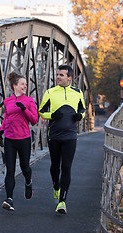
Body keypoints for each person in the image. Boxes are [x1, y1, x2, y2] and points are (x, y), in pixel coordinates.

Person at [38, 65, 86, 214]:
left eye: (61, 75)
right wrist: (52, 115)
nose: (58, 77)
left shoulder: (78, 93)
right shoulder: (50, 92)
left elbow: (82, 109)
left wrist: (80, 116)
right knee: (55, 166)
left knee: (66, 167)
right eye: (57, 74)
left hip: (70, 136)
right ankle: (56, 187)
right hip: (54, 135)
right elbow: (41, 111)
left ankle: (62, 202)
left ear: (69, 78)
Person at [0, 72, 39, 211]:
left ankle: (28, 182)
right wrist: (2, 128)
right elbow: (7, 116)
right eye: (22, 84)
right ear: (14, 86)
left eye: (26, 84)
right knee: (10, 170)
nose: (25, 86)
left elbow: (34, 120)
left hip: (23, 138)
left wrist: (24, 109)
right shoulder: (7, 101)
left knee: (25, 167)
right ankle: (9, 199)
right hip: (10, 139)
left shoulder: (29, 101)